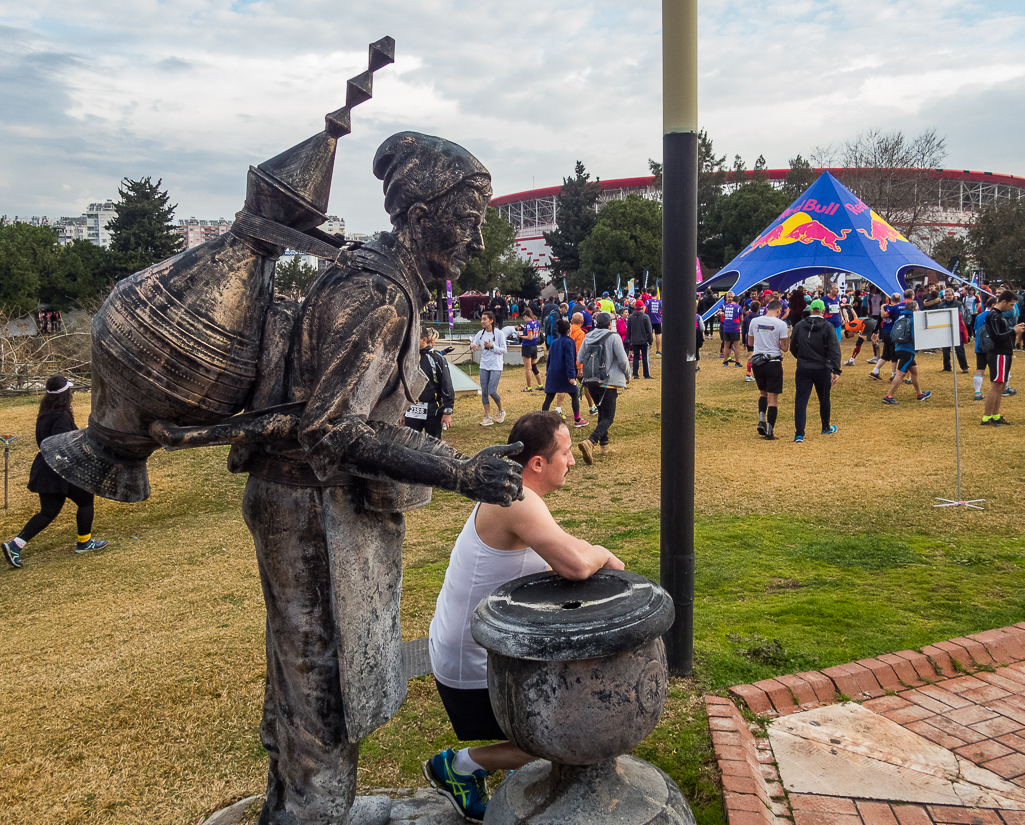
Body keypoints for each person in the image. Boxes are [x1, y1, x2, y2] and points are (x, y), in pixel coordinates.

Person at [227, 132, 526, 825]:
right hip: (311, 512)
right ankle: (309, 814)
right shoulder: (378, 292)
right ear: (419, 216)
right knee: (323, 688)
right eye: (468, 219)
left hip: (307, 505)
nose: (476, 240)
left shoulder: (377, 274)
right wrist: (459, 468)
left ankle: (292, 807)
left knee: (308, 678)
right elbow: (332, 427)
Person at [423, 412, 623, 819]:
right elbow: (574, 564)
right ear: (537, 463)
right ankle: (459, 766)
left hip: (472, 648)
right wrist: (602, 556)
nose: (572, 460)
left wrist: (589, 554)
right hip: (473, 670)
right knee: (569, 739)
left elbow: (562, 546)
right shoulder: (516, 499)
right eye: (565, 453)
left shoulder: (510, 492)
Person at [2, 375, 108, 569]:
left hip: (47, 468)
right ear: (65, 394)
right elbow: (62, 442)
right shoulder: (61, 416)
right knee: (84, 501)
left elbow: (44, 441)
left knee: (51, 511)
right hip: (59, 470)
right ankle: (84, 542)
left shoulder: (44, 414)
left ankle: (15, 545)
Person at [577, 312, 630, 462]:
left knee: (601, 412)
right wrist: (628, 375)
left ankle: (604, 447)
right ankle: (590, 441)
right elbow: (623, 360)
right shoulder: (614, 337)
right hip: (608, 381)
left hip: (591, 381)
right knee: (608, 417)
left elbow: (580, 358)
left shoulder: (588, 337)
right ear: (609, 324)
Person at [790, 299, 842, 443]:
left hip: (803, 367)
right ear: (823, 311)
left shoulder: (799, 325)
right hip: (822, 368)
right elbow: (834, 349)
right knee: (824, 399)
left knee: (801, 400)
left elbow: (793, 346)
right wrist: (836, 370)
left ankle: (799, 434)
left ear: (811, 310)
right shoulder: (828, 327)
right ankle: (825, 427)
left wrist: (801, 357)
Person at [981, 290, 1025, 426]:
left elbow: (1001, 333)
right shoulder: (993, 315)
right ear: (1004, 301)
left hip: (1005, 353)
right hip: (998, 353)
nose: (1012, 308)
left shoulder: (999, 315)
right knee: (996, 385)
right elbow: (996, 337)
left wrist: (1013, 329)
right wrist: (1013, 331)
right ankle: (986, 417)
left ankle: (995, 414)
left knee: (1001, 386)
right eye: (1011, 305)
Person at [748, 301, 790, 440]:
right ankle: (770, 432)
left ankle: (761, 420)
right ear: (778, 310)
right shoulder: (781, 324)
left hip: (758, 362)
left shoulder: (754, 321)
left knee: (763, 393)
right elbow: (785, 348)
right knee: (773, 399)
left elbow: (750, 343)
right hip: (773, 362)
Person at [404, 328, 455, 438]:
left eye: (414, 339)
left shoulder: (437, 358)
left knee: (433, 445)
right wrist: (402, 412)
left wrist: (447, 412)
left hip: (433, 410)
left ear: (424, 339)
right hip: (411, 408)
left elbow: (447, 385)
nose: (411, 341)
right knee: (410, 444)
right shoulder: (407, 358)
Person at [882, 300, 932, 405]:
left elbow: (892, 335)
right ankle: (888, 396)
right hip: (908, 350)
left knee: (914, 371)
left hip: (898, 347)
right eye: (917, 308)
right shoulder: (914, 320)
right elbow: (914, 336)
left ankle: (920, 394)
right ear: (914, 309)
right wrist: (918, 347)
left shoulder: (900, 319)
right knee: (900, 374)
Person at [542, 318, 588, 427]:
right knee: (574, 395)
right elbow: (570, 359)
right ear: (569, 330)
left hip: (553, 373)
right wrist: (571, 375)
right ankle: (577, 420)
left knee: (549, 397)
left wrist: (548, 372)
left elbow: (549, 359)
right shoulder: (569, 341)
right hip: (564, 374)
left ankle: (542, 421)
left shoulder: (555, 342)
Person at [470, 311, 507, 426]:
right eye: (481, 319)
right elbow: (473, 345)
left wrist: (492, 347)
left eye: (485, 319)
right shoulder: (480, 334)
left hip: (496, 365)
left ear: (491, 320)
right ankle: (488, 417)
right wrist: (472, 346)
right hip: (484, 365)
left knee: (492, 391)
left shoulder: (499, 334)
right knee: (484, 392)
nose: (482, 321)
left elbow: (504, 350)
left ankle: (501, 411)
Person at [938, 288, 970, 373]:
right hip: (945, 329)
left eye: (949, 295)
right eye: (946, 295)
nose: (948, 297)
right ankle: (947, 367)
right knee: (945, 350)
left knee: (959, 349)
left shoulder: (958, 304)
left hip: (956, 329)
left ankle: (964, 367)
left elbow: (961, 315)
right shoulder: (941, 305)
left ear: (953, 295)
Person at [627, 300, 654, 379]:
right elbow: (649, 330)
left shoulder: (631, 317)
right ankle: (646, 374)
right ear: (642, 307)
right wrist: (650, 341)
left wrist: (629, 339)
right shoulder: (645, 317)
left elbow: (628, 330)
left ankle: (635, 374)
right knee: (645, 357)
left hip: (634, 340)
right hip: (644, 340)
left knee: (636, 357)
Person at [518, 307, 542, 392]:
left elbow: (529, 337)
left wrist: (520, 336)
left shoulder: (528, 324)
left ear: (526, 316)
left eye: (524, 318)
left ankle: (529, 387)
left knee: (528, 368)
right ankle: (540, 385)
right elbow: (538, 334)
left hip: (527, 346)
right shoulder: (537, 322)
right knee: (534, 367)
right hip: (534, 346)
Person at [720, 292, 744, 366]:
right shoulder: (738, 307)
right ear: (738, 301)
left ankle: (726, 361)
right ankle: (737, 362)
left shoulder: (726, 306)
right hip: (735, 328)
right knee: (736, 346)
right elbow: (741, 318)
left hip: (726, 328)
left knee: (726, 345)